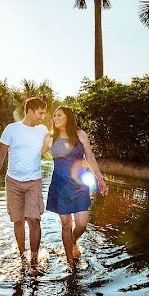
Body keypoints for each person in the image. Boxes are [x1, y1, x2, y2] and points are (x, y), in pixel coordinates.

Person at [46, 106, 108, 270]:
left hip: (79, 185)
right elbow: (32, 154)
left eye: (59, 115)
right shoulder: (50, 138)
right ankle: (70, 263)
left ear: (68, 117)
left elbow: (90, 157)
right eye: (54, 116)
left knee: (81, 224)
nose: (56, 118)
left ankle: (72, 241)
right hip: (59, 187)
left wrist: (99, 179)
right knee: (66, 225)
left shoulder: (80, 135)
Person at [0, 97, 50, 269]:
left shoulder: (42, 130)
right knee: (18, 221)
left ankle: (34, 260)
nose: (42, 117)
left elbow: (49, 147)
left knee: (34, 220)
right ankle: (22, 255)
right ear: (30, 111)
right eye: (40, 113)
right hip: (13, 182)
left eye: (44, 114)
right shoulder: (11, 129)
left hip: (34, 181)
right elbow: (0, 154)